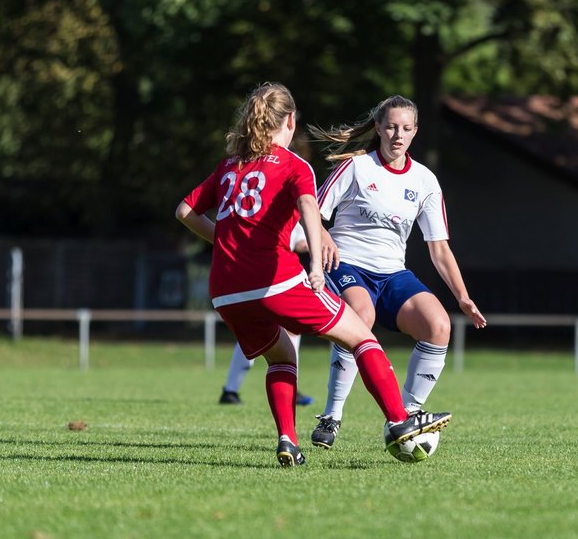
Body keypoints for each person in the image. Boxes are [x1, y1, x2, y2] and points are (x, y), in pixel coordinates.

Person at [176, 82, 449, 467]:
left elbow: (184, 212)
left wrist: (224, 239)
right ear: (290, 121)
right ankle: (399, 420)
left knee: (282, 357)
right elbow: (309, 206)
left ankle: (287, 440)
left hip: (225, 290)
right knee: (361, 336)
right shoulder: (293, 164)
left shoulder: (230, 165)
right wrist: (317, 267)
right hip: (275, 281)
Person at [307, 94, 486, 450]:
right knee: (362, 314)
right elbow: (313, 210)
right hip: (347, 265)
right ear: (378, 128)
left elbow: (438, 248)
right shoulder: (356, 167)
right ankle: (332, 415)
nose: (397, 135)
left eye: (405, 128)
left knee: (439, 325)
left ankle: (406, 416)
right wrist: (324, 239)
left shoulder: (424, 181)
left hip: (392, 274)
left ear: (415, 132)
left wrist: (463, 297)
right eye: (390, 127)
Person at [219, 224, 314, 406]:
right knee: (255, 330)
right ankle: (231, 389)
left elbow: (300, 242)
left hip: (278, 275)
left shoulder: (295, 213)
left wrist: (323, 242)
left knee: (287, 330)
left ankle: (233, 390)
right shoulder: (266, 209)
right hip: (267, 275)